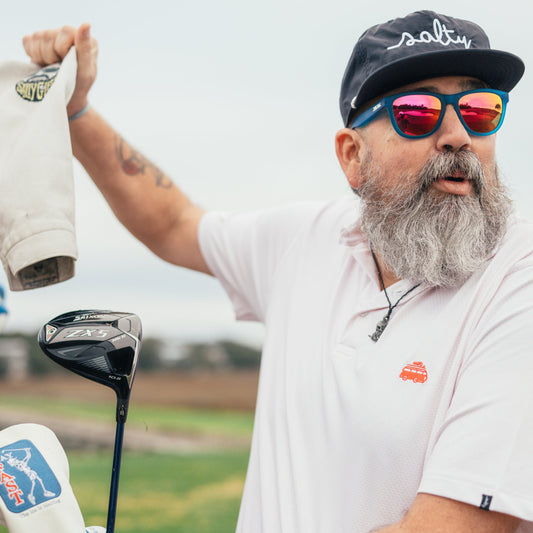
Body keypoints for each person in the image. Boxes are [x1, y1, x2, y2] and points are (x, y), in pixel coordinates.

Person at [22, 10, 533, 533]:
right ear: (352, 156)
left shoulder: (518, 280)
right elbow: (173, 223)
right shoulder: (305, 242)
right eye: (419, 112)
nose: (457, 134)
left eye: (479, 109)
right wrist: (76, 108)